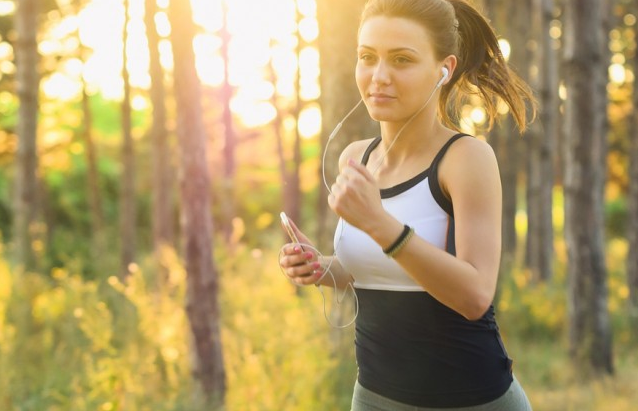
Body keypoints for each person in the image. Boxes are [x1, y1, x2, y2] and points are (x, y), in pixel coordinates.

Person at [279, 0, 536, 409]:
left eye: (402, 59)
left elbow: (474, 296)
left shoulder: (466, 159)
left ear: (444, 69)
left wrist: (381, 224)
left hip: (473, 399)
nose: (379, 77)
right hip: (376, 397)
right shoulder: (355, 157)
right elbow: (373, 271)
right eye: (368, 57)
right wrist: (321, 267)